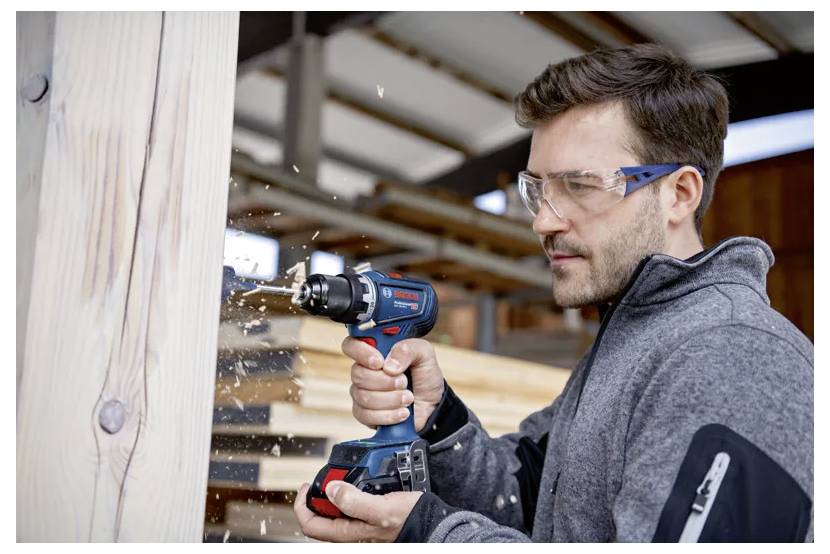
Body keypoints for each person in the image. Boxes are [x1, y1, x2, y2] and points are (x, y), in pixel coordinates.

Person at [293, 43, 814, 542]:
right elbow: (528, 501)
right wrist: (438, 418)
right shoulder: (633, 342)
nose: (543, 221)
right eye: (538, 189)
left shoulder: (731, 355)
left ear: (678, 194)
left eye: (579, 186)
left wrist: (428, 532)